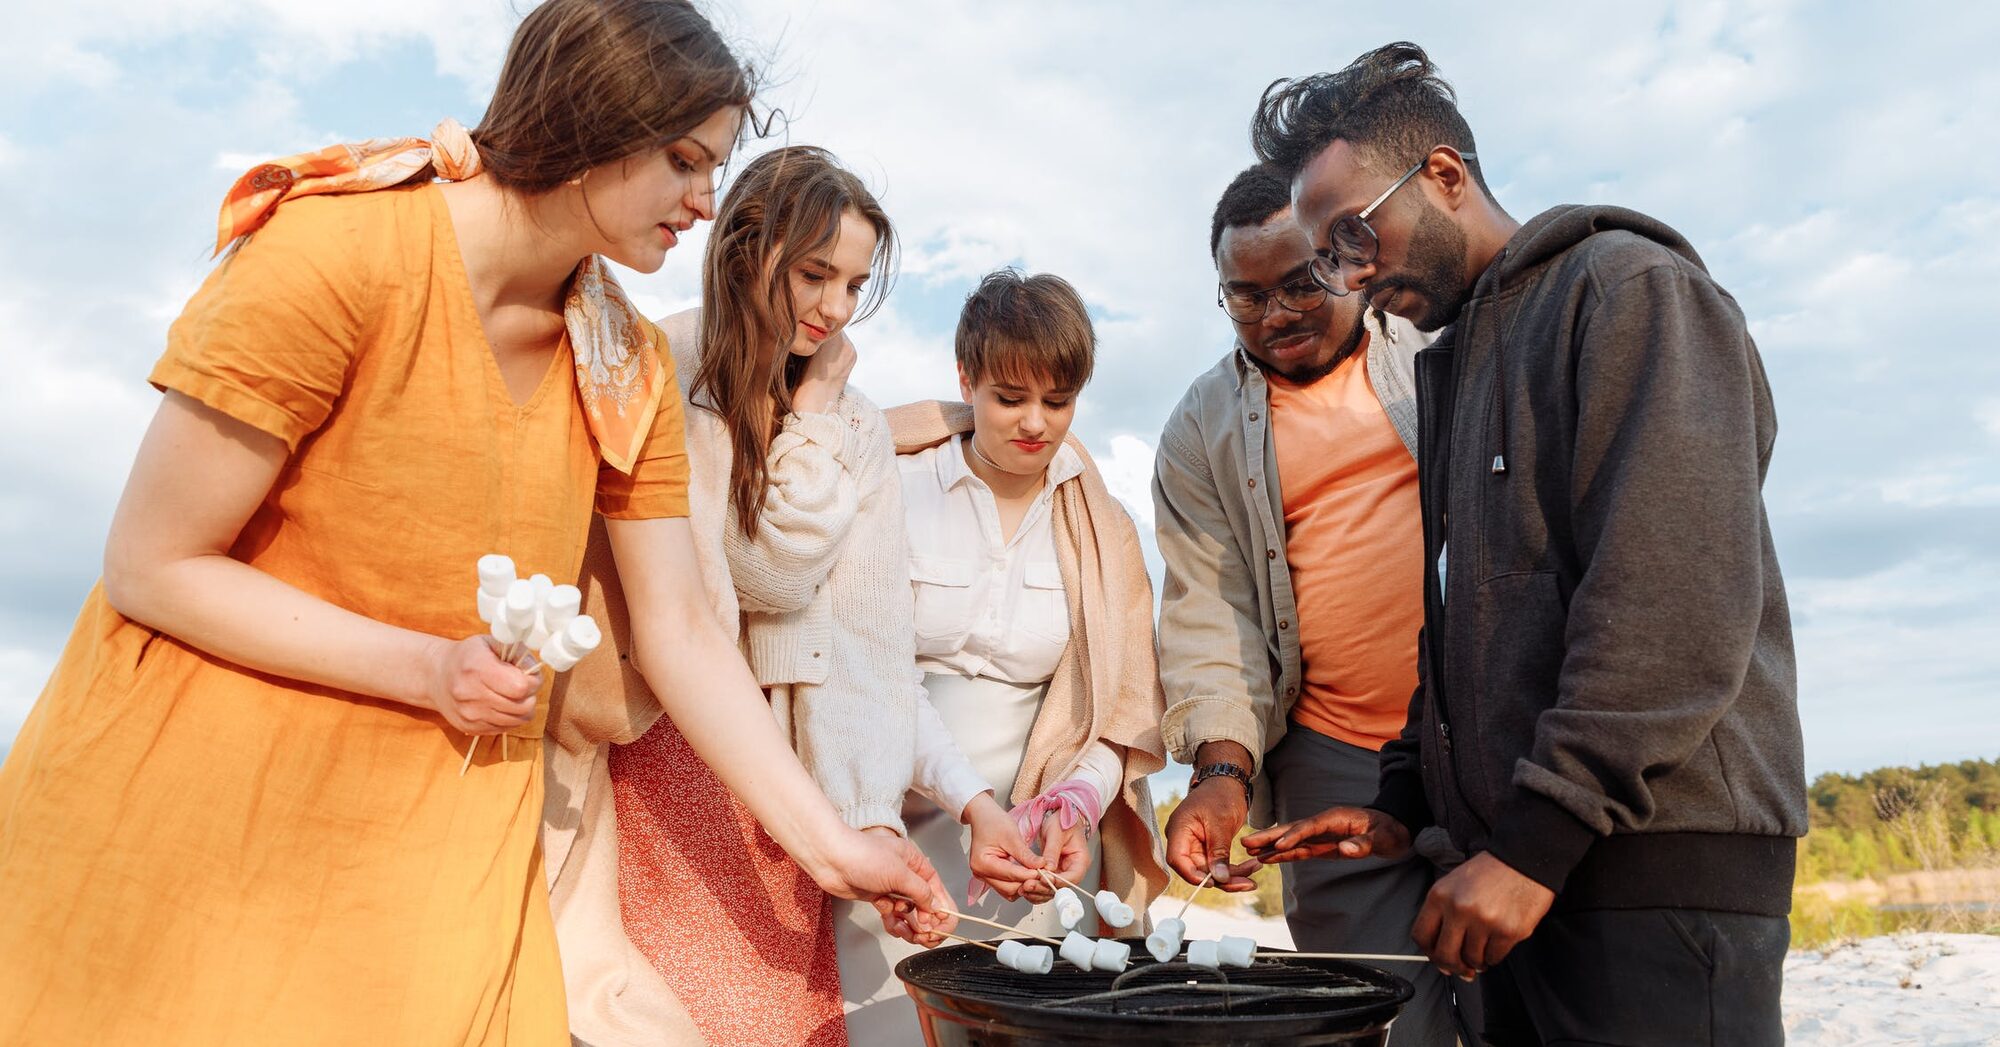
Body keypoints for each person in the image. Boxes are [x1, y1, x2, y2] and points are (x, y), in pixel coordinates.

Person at [0, 4, 950, 1044]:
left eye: (714, 166)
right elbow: (152, 565)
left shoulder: (623, 361)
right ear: (593, 118)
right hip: (198, 823)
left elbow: (679, 631)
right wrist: (424, 669)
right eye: (684, 159)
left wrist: (830, 848)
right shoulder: (338, 252)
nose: (702, 201)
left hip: (439, 839)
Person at [1240, 42, 1807, 1046]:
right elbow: (1464, 622)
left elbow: (1672, 602)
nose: (1350, 279)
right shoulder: (1460, 365)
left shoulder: (1630, 291)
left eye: (1352, 237)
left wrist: (1535, 847)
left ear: (1444, 177)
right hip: (1514, 880)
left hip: (1646, 882)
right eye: (1331, 257)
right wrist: (1402, 802)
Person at [544, 145, 948, 1047]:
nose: (835, 309)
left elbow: (873, 637)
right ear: (745, 245)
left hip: (795, 759)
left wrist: (868, 809)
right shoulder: (661, 366)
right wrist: (809, 420)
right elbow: (762, 575)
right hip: (664, 747)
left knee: (769, 1016)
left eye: (852, 284)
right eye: (814, 274)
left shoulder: (854, 420)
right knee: (650, 1014)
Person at [1152, 164, 1464, 1045]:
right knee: (1380, 1014)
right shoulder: (1197, 429)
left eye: (1298, 284)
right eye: (1244, 297)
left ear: (1345, 261)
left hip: (1484, 738)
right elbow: (1213, 612)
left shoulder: (1434, 341)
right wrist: (1221, 774)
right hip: (1331, 756)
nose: (1276, 314)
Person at [836, 270, 1170, 1043]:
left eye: (1058, 402)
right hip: (891, 808)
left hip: (1037, 834)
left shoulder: (1104, 527)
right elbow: (873, 670)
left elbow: (1119, 705)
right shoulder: (894, 485)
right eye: (1009, 397)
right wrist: (973, 805)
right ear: (965, 378)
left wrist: (1078, 802)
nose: (1035, 423)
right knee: (886, 1023)